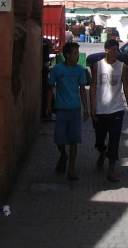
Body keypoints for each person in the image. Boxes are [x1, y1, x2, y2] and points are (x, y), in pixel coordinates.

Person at [90, 39, 128, 182]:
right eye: (113, 50)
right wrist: (92, 107)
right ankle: (102, 152)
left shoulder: (122, 67)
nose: (116, 53)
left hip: (116, 110)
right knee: (100, 140)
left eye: (117, 50)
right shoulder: (97, 66)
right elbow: (93, 87)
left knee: (114, 140)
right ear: (106, 50)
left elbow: (126, 87)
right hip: (100, 110)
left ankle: (111, 171)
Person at [45, 42, 89, 180]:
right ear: (67, 55)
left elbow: (82, 89)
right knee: (59, 138)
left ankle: (71, 169)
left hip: (75, 109)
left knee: (74, 140)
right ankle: (63, 154)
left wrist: (85, 108)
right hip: (61, 109)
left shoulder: (80, 70)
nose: (77, 56)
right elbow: (50, 88)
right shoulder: (57, 70)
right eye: (75, 53)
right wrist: (48, 106)